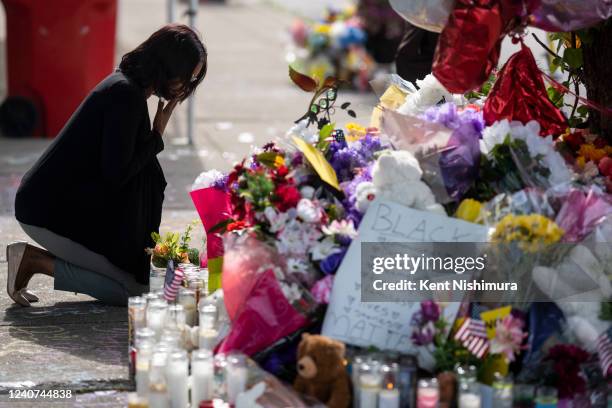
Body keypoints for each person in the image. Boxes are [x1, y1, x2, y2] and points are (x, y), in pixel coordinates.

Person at [7, 24, 208, 307]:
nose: (186, 86)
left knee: (139, 281)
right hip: (45, 212)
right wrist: (156, 136)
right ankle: (34, 261)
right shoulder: (125, 95)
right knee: (134, 292)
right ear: (169, 65)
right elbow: (118, 174)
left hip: (63, 205)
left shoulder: (129, 88)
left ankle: (36, 261)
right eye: (188, 76)